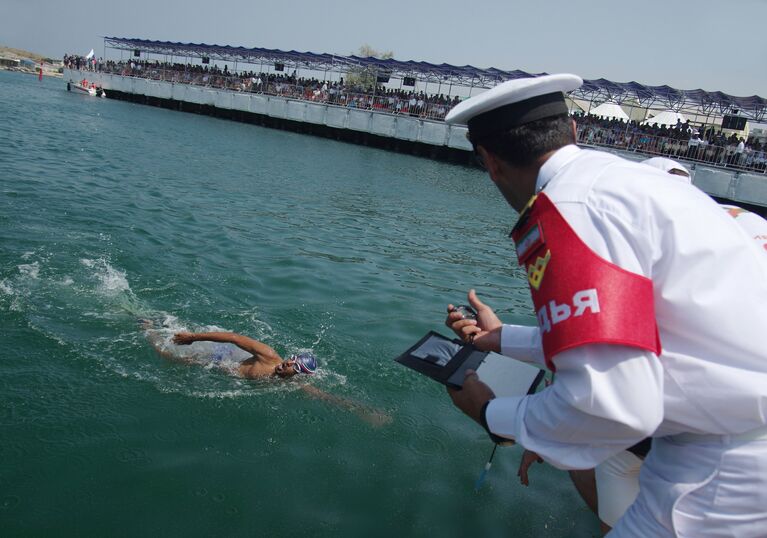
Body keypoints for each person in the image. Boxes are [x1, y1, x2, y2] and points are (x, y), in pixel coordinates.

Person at [442, 74, 767, 536]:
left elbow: (609, 405)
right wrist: (504, 339)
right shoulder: (638, 184)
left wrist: (489, 414)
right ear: (573, 131)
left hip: (721, 472)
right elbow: (648, 333)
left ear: (490, 162)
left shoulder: (567, 210)